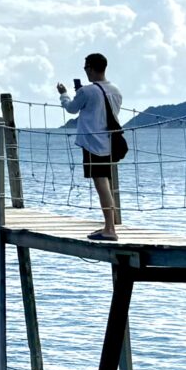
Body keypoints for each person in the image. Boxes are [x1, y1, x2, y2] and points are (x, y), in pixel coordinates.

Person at [57, 52, 128, 240]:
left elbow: (72, 108)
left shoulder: (87, 91)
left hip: (92, 144)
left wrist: (63, 94)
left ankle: (109, 228)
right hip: (108, 142)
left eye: (85, 67)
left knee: (101, 184)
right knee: (105, 183)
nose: (85, 71)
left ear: (90, 68)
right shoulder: (116, 90)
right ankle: (109, 225)